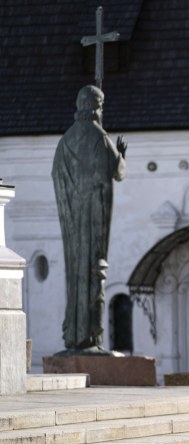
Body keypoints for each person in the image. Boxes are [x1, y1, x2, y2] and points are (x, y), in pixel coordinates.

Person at [52, 85, 126, 352]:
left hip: (73, 222)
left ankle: (74, 334)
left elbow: (57, 176)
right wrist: (122, 156)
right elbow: (117, 171)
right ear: (95, 107)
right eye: (101, 105)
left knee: (76, 275)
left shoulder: (66, 140)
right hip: (93, 220)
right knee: (96, 271)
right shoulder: (98, 135)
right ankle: (90, 337)